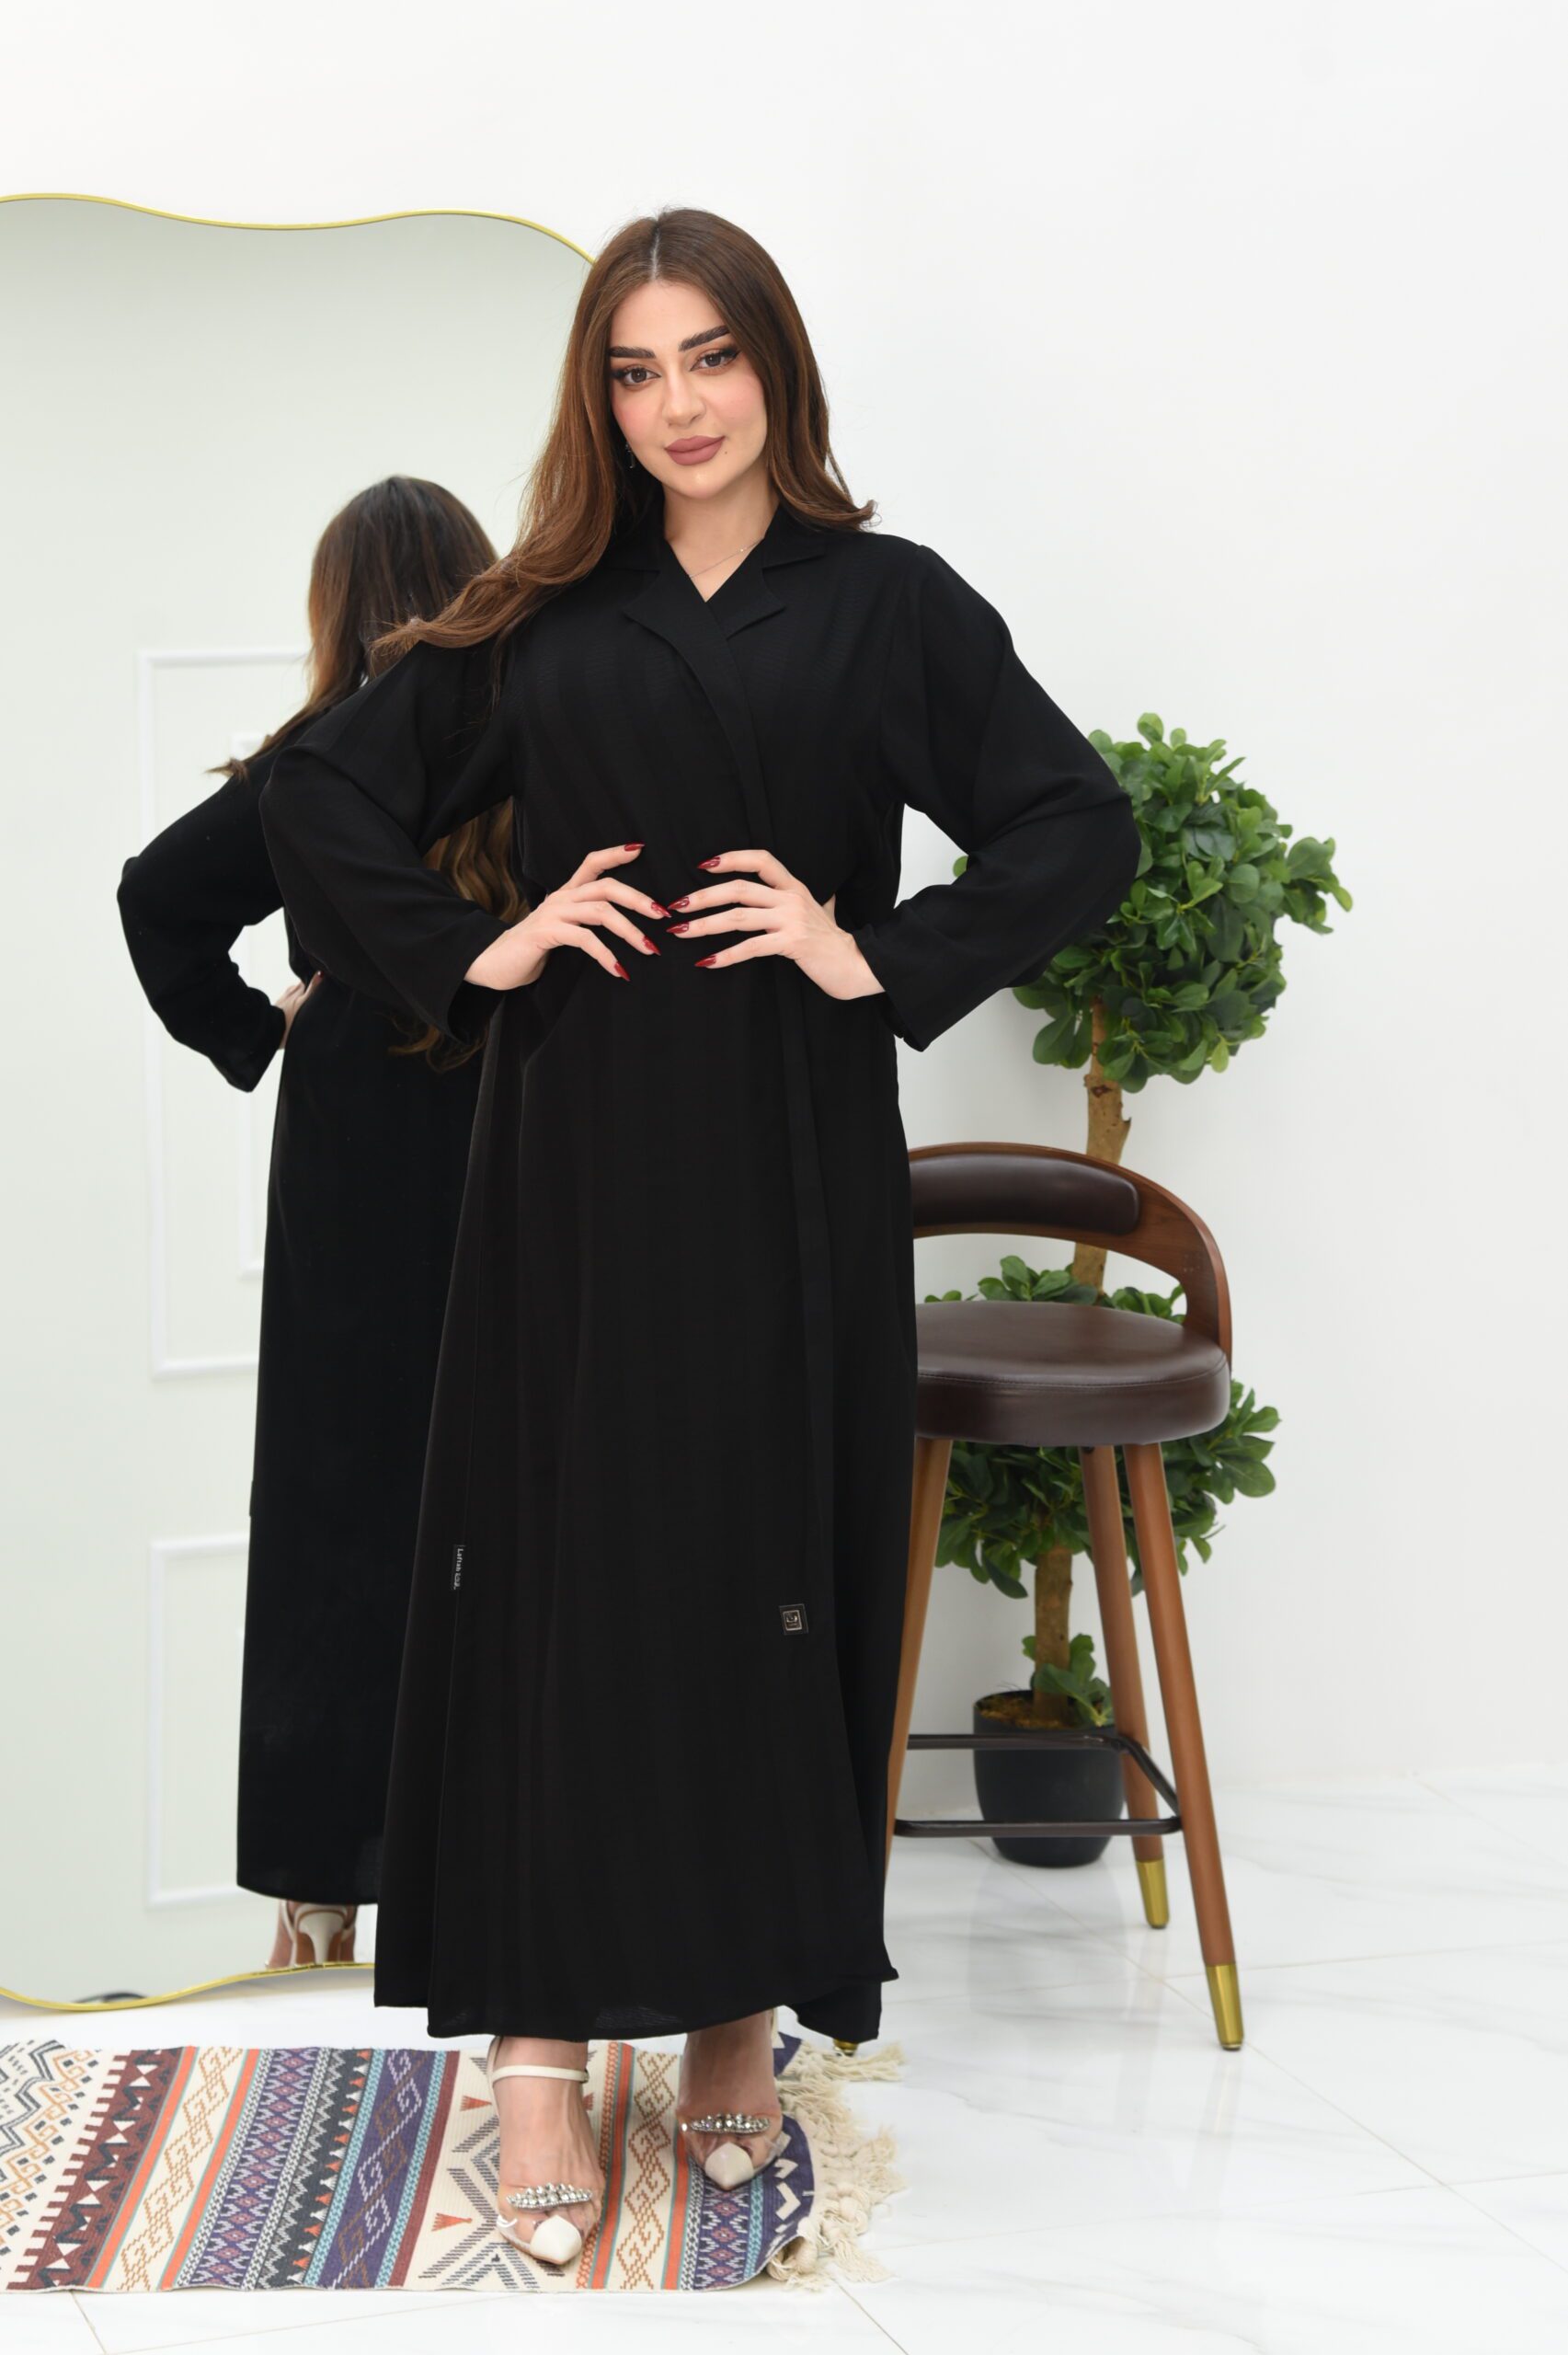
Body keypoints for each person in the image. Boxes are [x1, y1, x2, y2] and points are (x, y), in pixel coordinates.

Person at [258, 207, 1141, 2269]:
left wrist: (877, 950)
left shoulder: (886, 605)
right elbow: (319, 794)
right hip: (571, 1156)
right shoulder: (539, 616)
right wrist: (477, 948)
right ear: (600, 396)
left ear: (775, 368)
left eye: (711, 358)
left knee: (766, 1561)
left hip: (788, 1147)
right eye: (635, 370)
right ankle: (538, 2046)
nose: (678, 405)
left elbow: (1071, 820)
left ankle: (737, 2020)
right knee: (559, 1569)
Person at [118, 477, 519, 1970]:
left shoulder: (310, 764)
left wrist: (263, 1027)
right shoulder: (531, 746)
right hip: (513, 1109)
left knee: (340, 1500)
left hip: (357, 1139)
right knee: (519, 1485)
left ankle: (321, 1889)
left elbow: (156, 899)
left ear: (332, 606)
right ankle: (505, 1857)